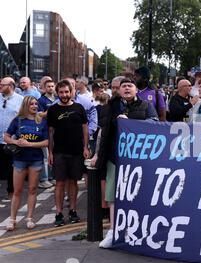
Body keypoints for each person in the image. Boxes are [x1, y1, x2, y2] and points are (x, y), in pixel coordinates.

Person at [90, 78, 158, 248]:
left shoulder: (145, 106)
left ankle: (139, 232)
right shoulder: (110, 107)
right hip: (115, 157)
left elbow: (155, 123)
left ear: (136, 90)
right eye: (124, 86)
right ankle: (113, 233)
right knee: (113, 196)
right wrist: (97, 153)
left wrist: (131, 123)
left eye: (130, 86)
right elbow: (102, 133)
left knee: (139, 195)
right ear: (119, 90)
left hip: (138, 160)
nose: (127, 88)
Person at [47, 80, 91, 227]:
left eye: (67, 92)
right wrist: (50, 153)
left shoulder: (79, 108)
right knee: (59, 183)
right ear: (57, 93)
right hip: (59, 152)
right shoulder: (53, 110)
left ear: (71, 92)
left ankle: (72, 210)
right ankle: (59, 213)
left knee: (73, 182)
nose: (64, 95)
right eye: (61, 92)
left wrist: (85, 147)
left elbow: (85, 129)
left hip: (77, 152)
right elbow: (50, 132)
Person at [4, 97, 48, 231]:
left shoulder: (41, 121)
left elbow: (46, 142)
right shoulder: (18, 120)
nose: (35, 106)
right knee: (17, 191)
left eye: (36, 104)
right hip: (19, 159)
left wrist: (30, 144)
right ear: (26, 106)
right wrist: (16, 142)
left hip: (35, 159)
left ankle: (30, 218)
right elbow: (5, 136)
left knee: (32, 189)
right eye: (31, 104)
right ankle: (12, 219)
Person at [0, 77, 23, 203]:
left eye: (2, 85)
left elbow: (23, 117)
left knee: (11, 168)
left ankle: (11, 193)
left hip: (11, 140)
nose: (0, 86)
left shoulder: (20, 100)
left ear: (10, 86)